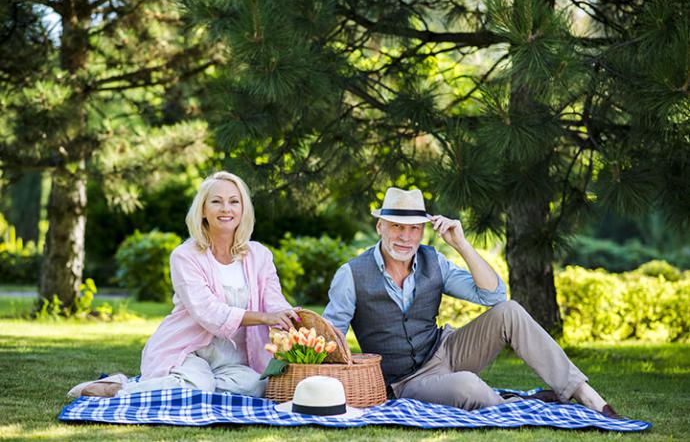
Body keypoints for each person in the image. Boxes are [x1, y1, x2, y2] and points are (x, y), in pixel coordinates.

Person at [323, 187, 619, 417]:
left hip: (446, 350)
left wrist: (461, 244)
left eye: (414, 228)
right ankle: (517, 404)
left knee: (510, 311)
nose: (405, 236)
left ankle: (585, 395)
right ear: (380, 227)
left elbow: (493, 296)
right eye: (397, 226)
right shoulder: (351, 275)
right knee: (467, 385)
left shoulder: (433, 260)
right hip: (406, 382)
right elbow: (331, 340)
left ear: (423, 231)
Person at [71, 171, 299, 398]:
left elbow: (274, 301)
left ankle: (188, 386)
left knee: (255, 386)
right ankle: (119, 390)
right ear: (203, 210)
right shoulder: (185, 256)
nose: (226, 209)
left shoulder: (260, 255)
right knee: (198, 385)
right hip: (187, 350)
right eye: (216, 202)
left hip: (231, 359)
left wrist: (294, 317)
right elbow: (209, 312)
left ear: (243, 209)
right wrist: (264, 318)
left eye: (234, 201)